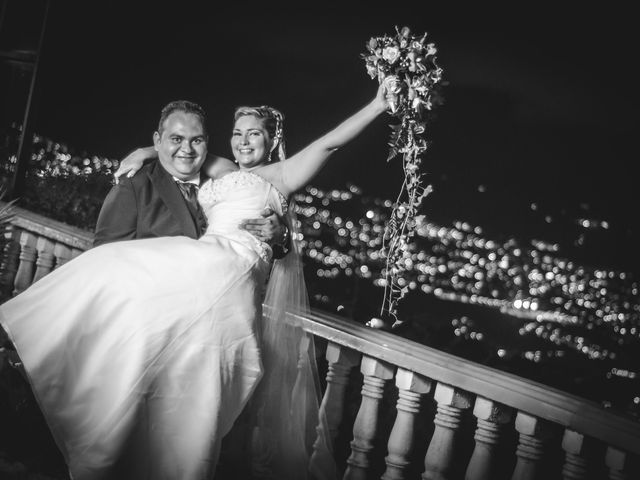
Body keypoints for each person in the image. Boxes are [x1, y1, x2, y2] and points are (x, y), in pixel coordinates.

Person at [0, 84, 390, 479]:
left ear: (272, 142)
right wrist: (148, 150)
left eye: (254, 133)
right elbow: (186, 147)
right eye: (237, 133)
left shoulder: (280, 175)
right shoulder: (221, 171)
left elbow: (329, 145)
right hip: (193, 273)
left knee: (189, 396)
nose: (243, 141)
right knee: (111, 268)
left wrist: (376, 105)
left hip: (225, 271)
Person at [94, 100, 289, 254]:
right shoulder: (134, 187)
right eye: (176, 139)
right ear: (157, 140)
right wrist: (152, 151)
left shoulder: (225, 183)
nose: (187, 149)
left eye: (196, 140)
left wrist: (282, 235)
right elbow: (104, 256)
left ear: (206, 142)